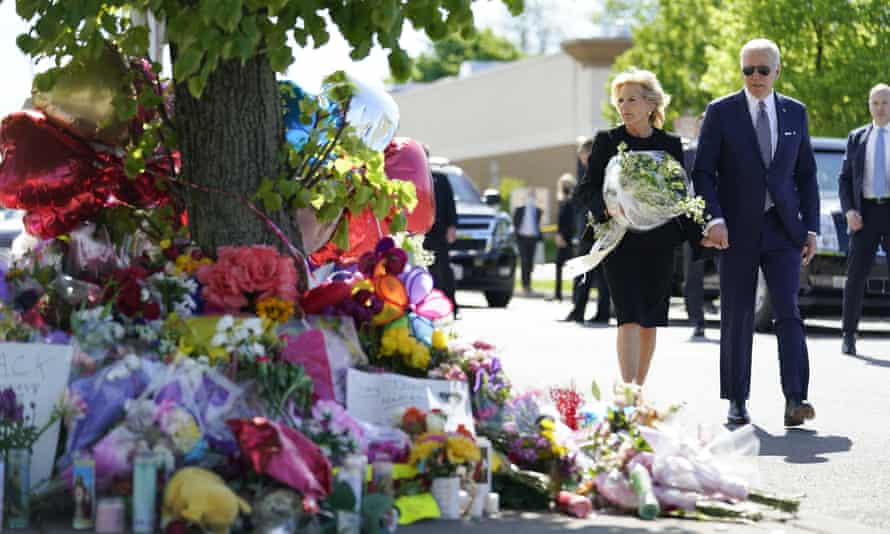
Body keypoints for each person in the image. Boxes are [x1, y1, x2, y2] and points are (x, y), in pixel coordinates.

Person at [693, 38, 819, 427]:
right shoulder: (721, 112)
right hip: (735, 231)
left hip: (783, 229)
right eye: (748, 70)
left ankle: (796, 399)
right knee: (737, 314)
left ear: (777, 71)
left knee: (788, 312)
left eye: (762, 69)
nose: (755, 77)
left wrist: (810, 227)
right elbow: (703, 172)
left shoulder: (795, 113)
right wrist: (713, 219)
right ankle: (736, 399)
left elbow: (806, 175)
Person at [576, 68, 701, 386]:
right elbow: (586, 190)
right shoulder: (608, 141)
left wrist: (700, 236)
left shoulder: (670, 144)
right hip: (620, 242)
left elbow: (680, 194)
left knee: (650, 320)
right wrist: (605, 205)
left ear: (650, 104)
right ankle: (628, 393)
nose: (624, 106)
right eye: (620, 100)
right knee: (628, 316)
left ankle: (639, 389)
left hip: (659, 244)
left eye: (631, 99)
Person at [839, 83, 890, 356]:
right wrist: (849, 211)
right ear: (869, 105)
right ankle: (848, 334)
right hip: (865, 213)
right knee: (855, 275)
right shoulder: (857, 137)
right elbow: (844, 178)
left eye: (885, 102)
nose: (880, 108)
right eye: (875, 103)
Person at [562, 139, 611, 324]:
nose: (582, 162)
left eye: (583, 158)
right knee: (599, 274)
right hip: (599, 228)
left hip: (594, 229)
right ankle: (599, 313)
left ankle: (581, 311)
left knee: (586, 271)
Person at [422, 146, 460, 319]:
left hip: (439, 231)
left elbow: (450, 204)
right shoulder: (410, 177)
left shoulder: (440, 178)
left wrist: (452, 226)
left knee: (443, 270)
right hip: (419, 232)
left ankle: (451, 306)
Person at [683, 112, 709, 338]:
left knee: (729, 271)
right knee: (694, 273)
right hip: (693, 220)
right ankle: (697, 320)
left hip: (721, 219)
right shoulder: (687, 153)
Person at [552, 173, 577, 302]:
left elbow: (571, 221)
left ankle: (575, 296)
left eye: (567, 184)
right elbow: (560, 221)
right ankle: (557, 294)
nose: (565, 186)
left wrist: (563, 236)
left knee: (573, 267)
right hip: (562, 237)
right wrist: (558, 235)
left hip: (570, 238)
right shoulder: (562, 201)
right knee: (559, 266)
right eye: (563, 184)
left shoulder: (573, 201)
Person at [513, 193, 542, 296]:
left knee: (530, 263)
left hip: (533, 238)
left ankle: (528, 284)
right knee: (524, 261)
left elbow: (538, 225)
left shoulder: (538, 211)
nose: (531, 200)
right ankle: (525, 286)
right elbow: (515, 223)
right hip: (522, 238)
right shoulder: (519, 209)